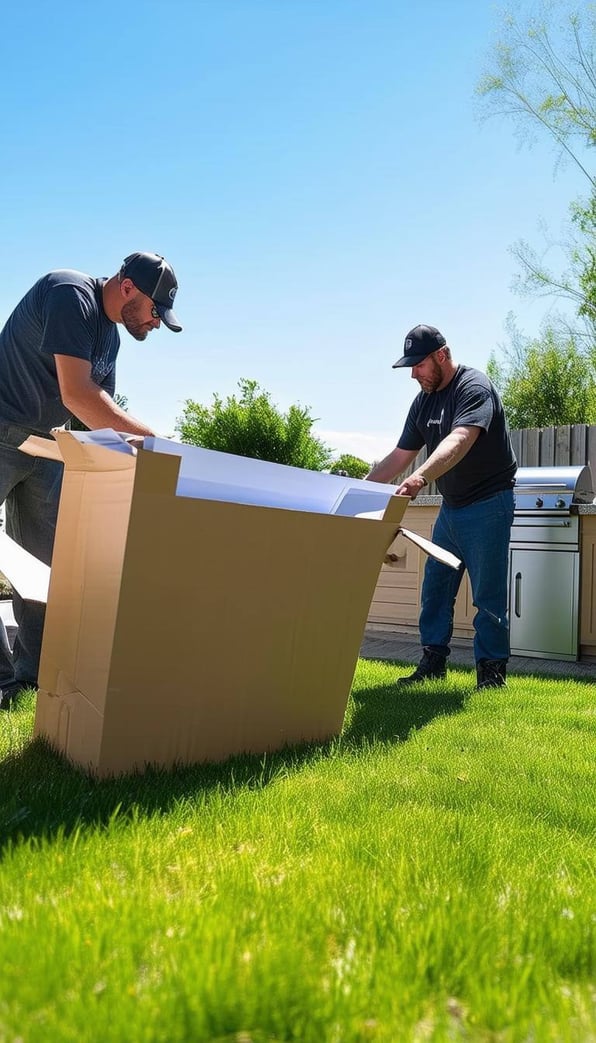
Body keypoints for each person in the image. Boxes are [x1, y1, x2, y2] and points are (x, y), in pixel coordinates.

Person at [0, 252, 182, 709]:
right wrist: (162, 445)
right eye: (156, 311)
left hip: (46, 449)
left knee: (45, 568)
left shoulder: (110, 338)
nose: (157, 323)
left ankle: (30, 678)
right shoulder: (69, 293)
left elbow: (101, 424)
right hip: (2, 432)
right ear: (127, 289)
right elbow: (79, 396)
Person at [366, 324, 517, 690]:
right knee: (435, 588)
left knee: (488, 595)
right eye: (411, 367)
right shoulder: (423, 401)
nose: (414, 374)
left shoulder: (474, 387)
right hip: (451, 508)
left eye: (419, 365)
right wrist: (360, 492)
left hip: (489, 503)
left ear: (442, 355)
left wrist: (420, 478)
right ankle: (432, 664)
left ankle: (491, 674)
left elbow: (460, 439)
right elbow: (400, 456)